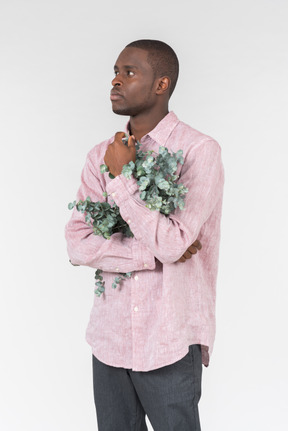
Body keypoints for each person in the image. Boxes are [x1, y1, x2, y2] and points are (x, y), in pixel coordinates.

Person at [65, 39, 224, 431]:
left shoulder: (199, 151)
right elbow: (76, 243)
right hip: (109, 341)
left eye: (129, 72)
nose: (116, 81)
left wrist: (122, 177)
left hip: (168, 341)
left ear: (161, 85)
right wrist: (150, 255)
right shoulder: (99, 155)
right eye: (115, 72)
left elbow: (174, 242)